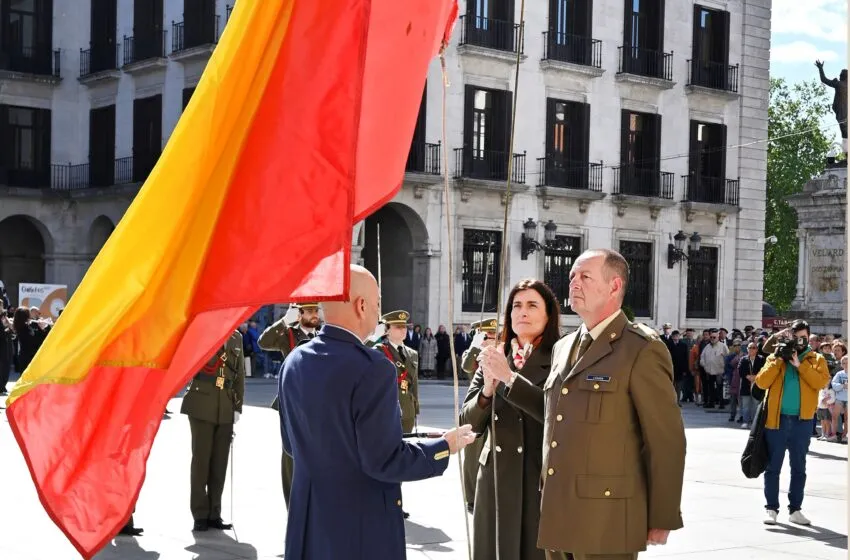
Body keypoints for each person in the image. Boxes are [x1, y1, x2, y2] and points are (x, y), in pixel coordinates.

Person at [277, 264, 475, 560]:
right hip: (360, 528)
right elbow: (384, 461)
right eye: (378, 303)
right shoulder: (372, 367)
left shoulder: (294, 360)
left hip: (308, 525)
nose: (377, 313)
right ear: (361, 305)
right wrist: (444, 447)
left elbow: (291, 445)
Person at [535, 249, 686, 560]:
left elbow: (666, 440)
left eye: (585, 277)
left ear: (615, 286)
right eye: (572, 277)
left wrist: (662, 516)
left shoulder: (641, 349)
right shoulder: (563, 347)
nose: (573, 283)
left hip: (608, 519)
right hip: (557, 510)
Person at [467, 279, 561, 560]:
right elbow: (468, 423)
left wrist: (510, 378)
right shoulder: (495, 355)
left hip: (537, 477)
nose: (523, 312)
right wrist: (486, 390)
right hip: (496, 478)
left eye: (533, 305)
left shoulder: (561, 357)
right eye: (516, 306)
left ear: (548, 315)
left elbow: (557, 414)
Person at [754, 319, 830, 526]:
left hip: (802, 422)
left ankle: (795, 509)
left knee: (799, 467)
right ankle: (771, 509)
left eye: (804, 338)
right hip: (776, 421)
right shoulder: (775, 356)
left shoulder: (816, 359)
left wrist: (800, 365)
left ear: (809, 338)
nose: (799, 342)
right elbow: (761, 382)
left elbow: (820, 382)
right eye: (795, 338)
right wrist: (779, 358)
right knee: (773, 467)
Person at [180, 330, 245, 532]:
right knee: (201, 462)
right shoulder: (203, 329)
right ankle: (200, 514)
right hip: (201, 401)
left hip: (225, 404)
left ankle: (214, 513)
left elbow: (240, 373)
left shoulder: (236, 338)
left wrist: (237, 407)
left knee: (219, 463)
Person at [259, 302, 320, 507]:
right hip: (294, 402)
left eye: (316, 310)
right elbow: (263, 342)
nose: (314, 315)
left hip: (319, 405)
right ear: (299, 313)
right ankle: (293, 506)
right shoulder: (289, 335)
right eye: (310, 311)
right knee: (291, 454)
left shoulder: (322, 336)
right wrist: (285, 320)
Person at [461, 318, 498, 515]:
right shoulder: (473, 353)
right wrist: (476, 346)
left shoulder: (499, 352)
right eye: (486, 336)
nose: (489, 339)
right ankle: (471, 497)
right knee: (473, 455)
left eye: (493, 335)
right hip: (476, 405)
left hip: (492, 407)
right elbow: (467, 367)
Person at [373, 310, 420, 434]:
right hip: (388, 408)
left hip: (408, 410)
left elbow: (414, 384)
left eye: (404, 326)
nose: (403, 330)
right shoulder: (379, 351)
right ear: (387, 330)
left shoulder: (412, 354)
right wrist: (374, 336)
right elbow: (361, 351)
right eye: (398, 327)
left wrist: (415, 409)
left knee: (406, 445)